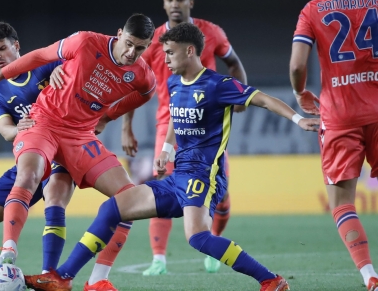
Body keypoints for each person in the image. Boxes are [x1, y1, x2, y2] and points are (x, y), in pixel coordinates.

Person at [26, 22, 320, 291]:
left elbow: (265, 100)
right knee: (112, 209)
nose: (164, 59)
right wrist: (166, 151)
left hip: (203, 176)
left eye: (169, 52)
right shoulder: (174, 84)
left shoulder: (218, 85)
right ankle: (63, 278)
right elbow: (173, 122)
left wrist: (297, 120)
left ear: (189, 51)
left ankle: (271, 280)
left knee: (198, 238)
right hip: (178, 174)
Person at [0, 14, 157, 291]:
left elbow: (145, 93)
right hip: (43, 121)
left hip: (79, 136)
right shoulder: (85, 41)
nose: (131, 53)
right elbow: (41, 55)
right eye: (129, 44)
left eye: (140, 48)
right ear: (119, 33)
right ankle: (8, 251)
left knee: (130, 201)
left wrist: (108, 117)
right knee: (28, 176)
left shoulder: (141, 74)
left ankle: (95, 280)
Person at [121, 0, 247, 275]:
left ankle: (212, 244)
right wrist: (126, 125)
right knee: (162, 186)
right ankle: (158, 259)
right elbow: (135, 82)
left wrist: (237, 95)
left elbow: (234, 63)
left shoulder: (211, 32)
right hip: (169, 124)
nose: (175, 4)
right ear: (164, 4)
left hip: (206, 127)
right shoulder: (153, 40)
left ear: (191, 2)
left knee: (220, 195)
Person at [0, 22, 75, 291]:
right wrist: (17, 128)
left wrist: (67, 68)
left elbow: (76, 58)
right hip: (29, 159)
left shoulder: (45, 63)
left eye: (2, 48)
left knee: (55, 204)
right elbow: (4, 130)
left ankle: (49, 276)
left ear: (16, 45)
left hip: (62, 155)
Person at [289, 0, 378, 290]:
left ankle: (370, 276)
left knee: (342, 204)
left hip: (339, 116)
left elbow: (297, 66)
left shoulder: (313, 9)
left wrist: (300, 92)